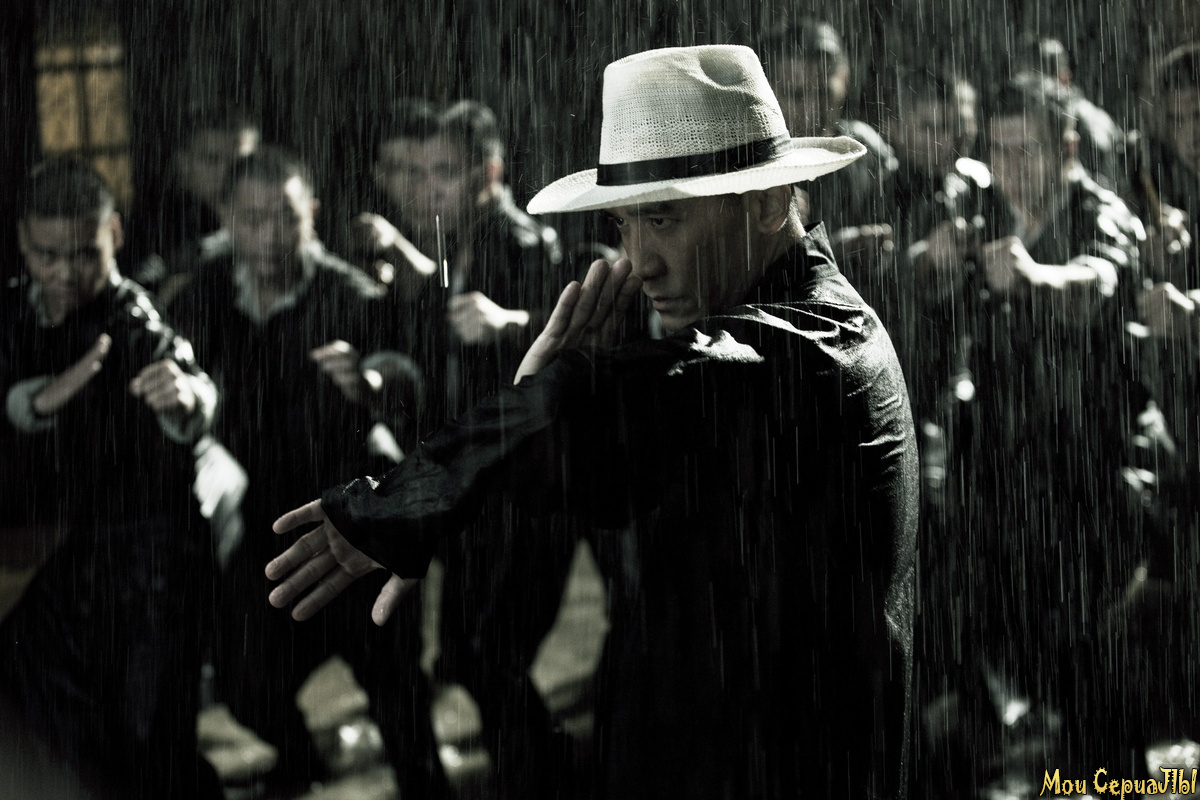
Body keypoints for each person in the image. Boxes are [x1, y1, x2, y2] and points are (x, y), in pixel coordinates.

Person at [268, 45, 917, 800]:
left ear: (769, 202)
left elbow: (670, 386)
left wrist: (408, 502)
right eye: (624, 225)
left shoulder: (805, 344)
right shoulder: (779, 338)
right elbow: (610, 475)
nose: (640, 261)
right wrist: (534, 401)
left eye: (664, 219)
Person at [168, 147, 444, 798]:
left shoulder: (350, 293)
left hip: (354, 521)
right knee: (245, 684)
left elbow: (410, 377)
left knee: (399, 696)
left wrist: (373, 383)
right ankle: (302, 769)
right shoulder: (203, 297)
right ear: (225, 218)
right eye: (253, 218)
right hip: (266, 529)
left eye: (286, 218)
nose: (270, 234)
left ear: (311, 214)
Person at [352, 98, 578, 796]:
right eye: (418, 173)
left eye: (444, 173)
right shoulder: (456, 241)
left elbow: (582, 337)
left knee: (486, 654)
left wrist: (510, 322)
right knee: (466, 656)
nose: (428, 189)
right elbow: (436, 329)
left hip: (531, 486)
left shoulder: (524, 240)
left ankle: (556, 776)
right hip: (478, 484)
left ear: (488, 174)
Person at [0, 158, 222, 798]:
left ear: (114, 235)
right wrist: (34, 401)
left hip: (150, 561)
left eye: (82, 253)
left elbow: (189, 385)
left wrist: (186, 400)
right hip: (62, 562)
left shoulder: (131, 321)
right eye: (47, 255)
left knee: (151, 742)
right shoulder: (15, 311)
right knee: (61, 726)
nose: (64, 271)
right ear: (23, 243)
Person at [759, 17, 899, 274]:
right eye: (796, 95)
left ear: (845, 80)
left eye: (823, 93)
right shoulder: (752, 165)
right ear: (768, 91)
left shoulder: (865, 150)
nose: (812, 108)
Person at [128, 105, 261, 306]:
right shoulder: (152, 227)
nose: (227, 172)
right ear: (184, 164)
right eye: (211, 160)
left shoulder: (275, 219)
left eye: (240, 163)